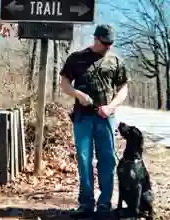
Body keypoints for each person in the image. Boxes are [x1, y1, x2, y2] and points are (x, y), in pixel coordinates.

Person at [59, 24, 130, 218]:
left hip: (106, 118)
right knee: (84, 160)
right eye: (105, 43)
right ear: (96, 39)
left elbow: (123, 88)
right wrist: (77, 94)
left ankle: (105, 204)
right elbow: (64, 83)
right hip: (83, 118)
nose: (108, 47)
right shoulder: (77, 58)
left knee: (107, 161)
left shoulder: (116, 61)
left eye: (111, 43)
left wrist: (111, 107)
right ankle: (86, 204)